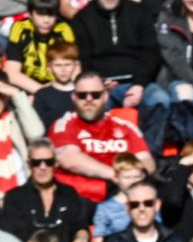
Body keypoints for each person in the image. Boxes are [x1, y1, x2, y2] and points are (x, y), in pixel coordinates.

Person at [70, 0, 172, 153]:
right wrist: (99, 83)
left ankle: (149, 157)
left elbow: (151, 52)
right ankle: (102, 157)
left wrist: (139, 85)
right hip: (102, 86)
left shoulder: (139, 12)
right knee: (89, 106)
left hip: (137, 82)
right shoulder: (82, 19)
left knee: (160, 99)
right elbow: (83, 59)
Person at [49, 70, 155, 203]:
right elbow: (70, 160)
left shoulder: (125, 127)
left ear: (105, 96)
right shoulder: (63, 125)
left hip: (122, 198)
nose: (89, 100)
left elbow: (146, 160)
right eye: (82, 95)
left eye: (95, 95)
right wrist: (116, 176)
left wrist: (135, 177)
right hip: (79, 201)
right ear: (74, 97)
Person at [0, 137, 92, 242]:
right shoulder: (15, 197)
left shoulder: (68, 193)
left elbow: (79, 225)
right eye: (37, 163)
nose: (43, 167)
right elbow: (15, 236)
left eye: (48, 162)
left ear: (56, 164)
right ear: (29, 164)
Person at [0, 68, 44, 200]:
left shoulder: (17, 119)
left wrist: (16, 93)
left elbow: (36, 134)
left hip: (25, 196)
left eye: (1, 94)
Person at [2, 0, 73, 95]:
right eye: (40, 14)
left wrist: (53, 91)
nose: (46, 20)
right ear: (30, 14)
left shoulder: (64, 30)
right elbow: (12, 73)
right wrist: (43, 94)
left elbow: (74, 67)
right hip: (27, 88)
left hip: (59, 87)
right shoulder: (20, 28)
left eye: (51, 14)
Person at [32, 39, 78, 128]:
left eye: (67, 64)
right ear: (49, 67)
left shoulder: (82, 93)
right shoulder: (42, 95)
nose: (63, 70)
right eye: (58, 65)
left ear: (75, 65)